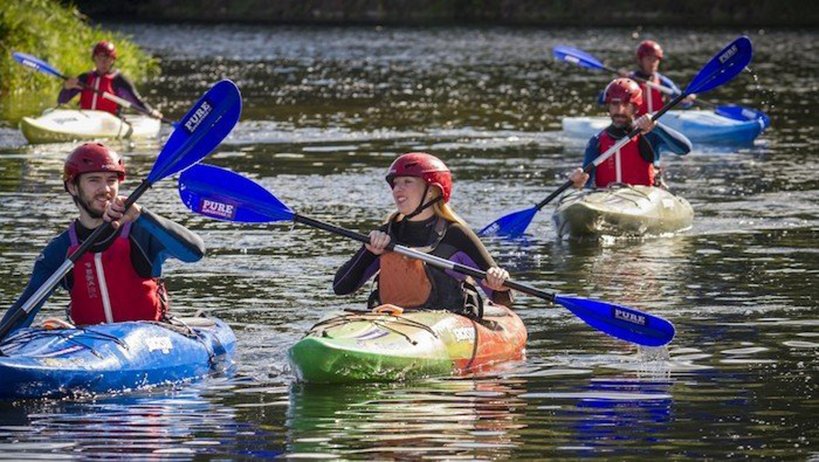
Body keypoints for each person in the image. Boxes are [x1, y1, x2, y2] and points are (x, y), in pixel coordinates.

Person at [0, 143, 205, 334]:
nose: (106, 189)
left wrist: (142, 215)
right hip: (91, 349)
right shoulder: (59, 250)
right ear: (72, 187)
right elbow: (24, 310)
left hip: (148, 341)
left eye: (111, 180)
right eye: (94, 180)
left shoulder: (141, 232)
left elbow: (195, 252)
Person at [333, 152, 512, 318]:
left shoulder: (456, 235)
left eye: (407, 182)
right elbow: (341, 287)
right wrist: (369, 252)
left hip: (445, 326)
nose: (397, 189)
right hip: (392, 321)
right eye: (395, 183)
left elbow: (503, 299)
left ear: (433, 190)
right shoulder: (387, 233)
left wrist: (498, 281)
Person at [570, 78, 692, 189]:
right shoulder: (596, 141)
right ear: (608, 107)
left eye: (626, 105)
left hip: (644, 200)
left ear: (636, 108)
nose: (619, 111)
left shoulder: (649, 135)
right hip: (605, 200)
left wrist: (657, 127)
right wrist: (579, 184)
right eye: (614, 104)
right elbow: (587, 182)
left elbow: (684, 149)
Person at [57, 40, 163, 119]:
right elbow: (62, 100)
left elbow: (136, 101)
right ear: (94, 59)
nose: (103, 63)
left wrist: (150, 111)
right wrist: (66, 88)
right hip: (86, 118)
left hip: (111, 121)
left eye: (107, 59)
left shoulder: (119, 80)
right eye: (99, 58)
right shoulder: (85, 78)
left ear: (112, 60)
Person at [628, 39, 695, 114]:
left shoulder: (662, 81)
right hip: (636, 122)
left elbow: (682, 102)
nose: (652, 64)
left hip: (656, 122)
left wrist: (688, 99)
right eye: (649, 59)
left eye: (655, 60)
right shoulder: (630, 80)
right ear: (640, 60)